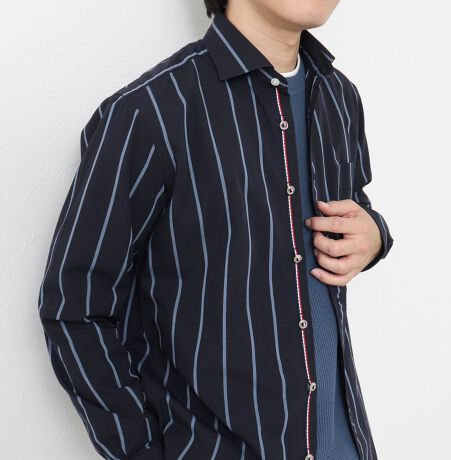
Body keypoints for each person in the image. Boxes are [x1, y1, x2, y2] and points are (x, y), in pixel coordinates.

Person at [37, 0, 394, 459]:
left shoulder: (339, 97)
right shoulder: (152, 111)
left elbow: (353, 210)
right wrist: (140, 450)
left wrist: (376, 236)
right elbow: (76, 302)